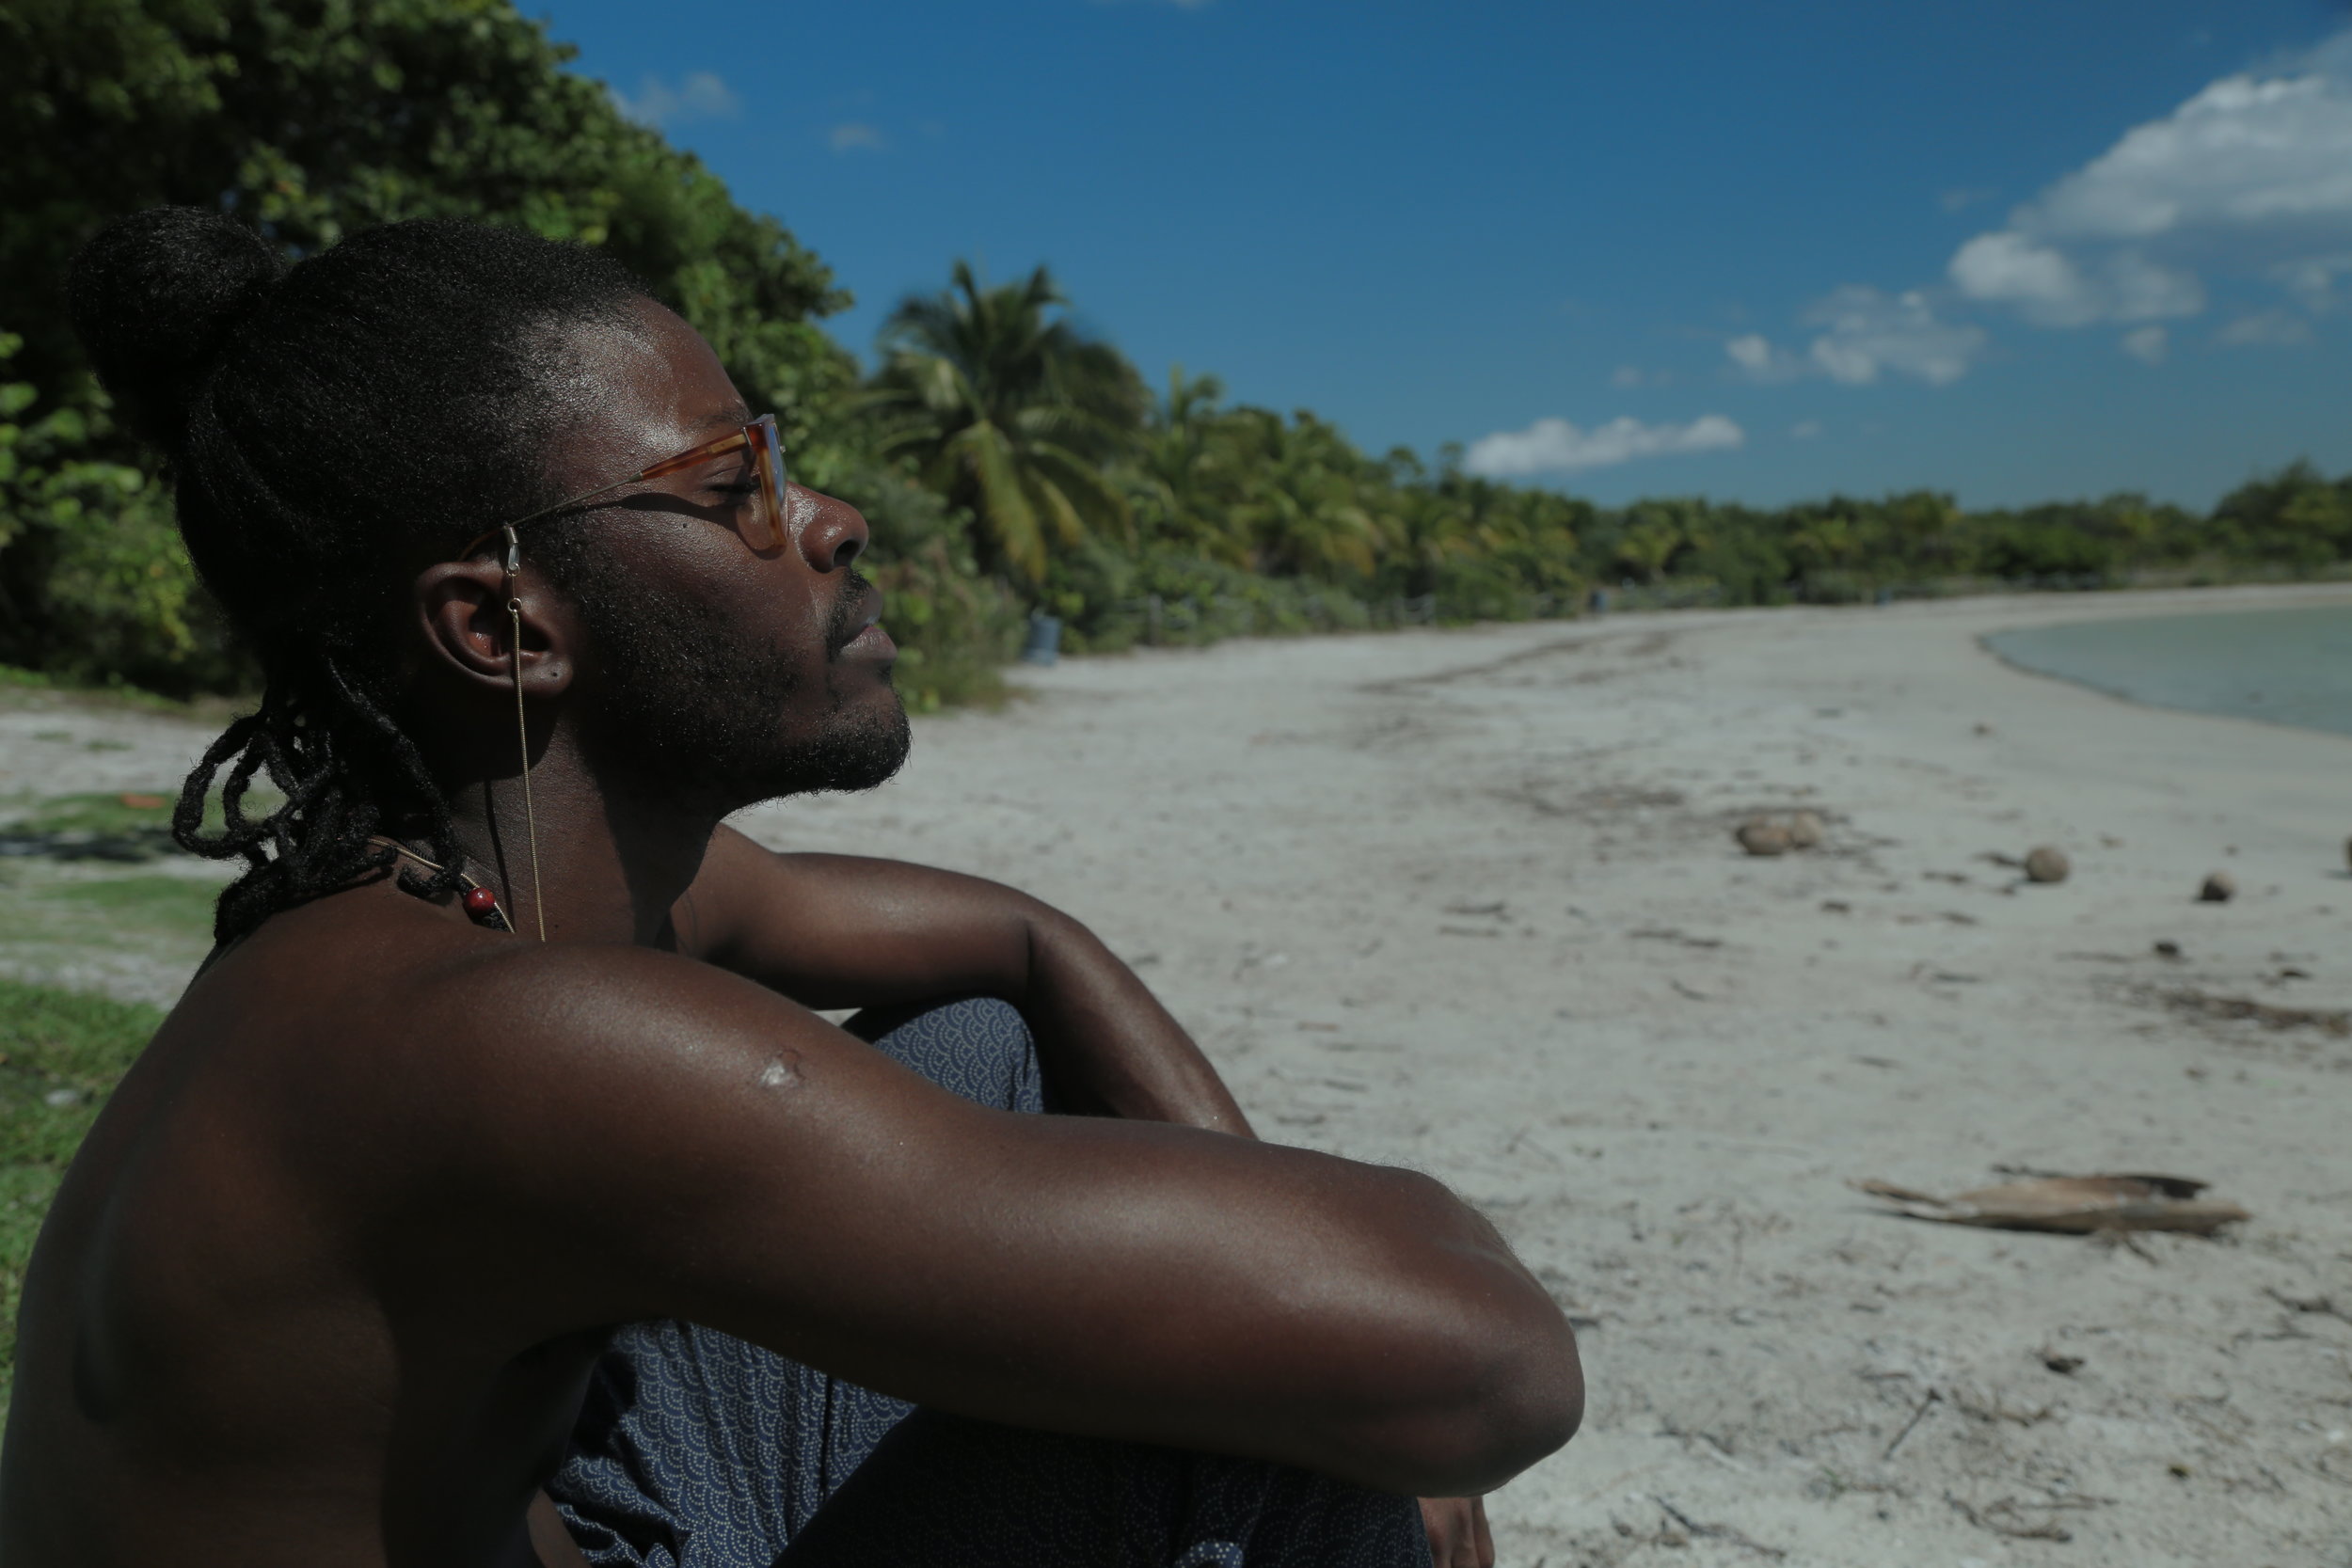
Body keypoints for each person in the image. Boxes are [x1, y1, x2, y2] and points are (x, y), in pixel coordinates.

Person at [0, 209, 1580, 1568]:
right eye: (729, 481)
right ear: (504, 629)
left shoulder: (436, 914)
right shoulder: (519, 1044)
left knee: (979, 1046)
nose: (826, 517)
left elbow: (1021, 940)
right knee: (1274, 1424)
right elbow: (1486, 1356)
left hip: (581, 1521)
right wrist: (1342, 1397)